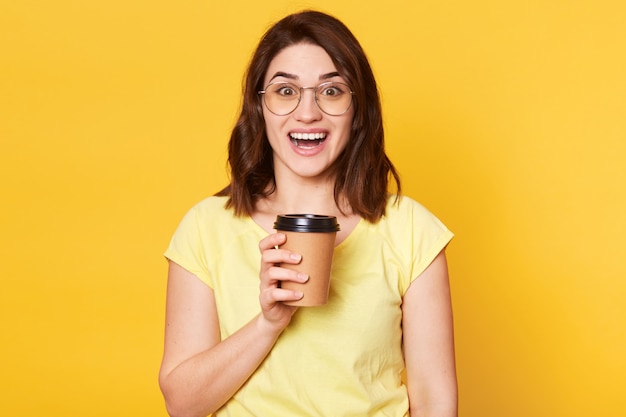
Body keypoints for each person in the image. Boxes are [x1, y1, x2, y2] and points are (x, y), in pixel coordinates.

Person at [159, 10, 457, 417]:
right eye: (286, 91)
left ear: (358, 109)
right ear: (259, 107)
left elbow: (436, 403)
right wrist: (269, 322)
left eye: (332, 91)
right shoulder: (206, 227)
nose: (307, 113)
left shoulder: (410, 230)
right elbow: (182, 404)